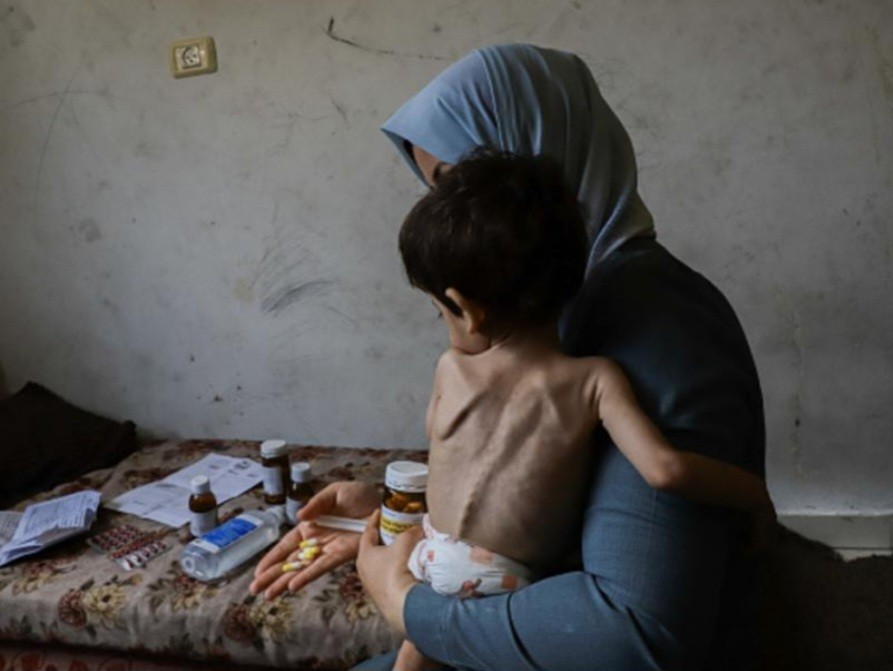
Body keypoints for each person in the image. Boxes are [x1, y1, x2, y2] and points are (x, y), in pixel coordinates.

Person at [251, 44, 768, 670]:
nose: (449, 219)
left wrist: (409, 604)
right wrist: (394, 512)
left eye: (460, 182)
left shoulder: (658, 323)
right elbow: (531, 479)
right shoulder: (573, 312)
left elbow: (632, 634)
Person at [387, 149, 774, 671]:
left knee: (419, 652)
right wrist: (754, 496)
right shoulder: (594, 380)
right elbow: (666, 471)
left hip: (431, 554)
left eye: (440, 312)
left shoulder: (450, 368)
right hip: (507, 580)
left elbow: (440, 449)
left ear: (467, 310)